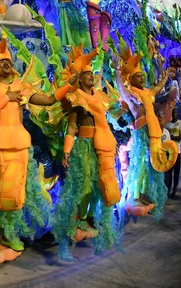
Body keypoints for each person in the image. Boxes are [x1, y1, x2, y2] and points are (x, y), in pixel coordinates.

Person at [0, 29, 77, 262]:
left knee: (17, 193)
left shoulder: (21, 87)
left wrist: (68, 86)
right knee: (1, 192)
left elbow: (49, 100)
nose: (7, 65)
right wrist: (6, 97)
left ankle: (9, 234)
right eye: (1, 62)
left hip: (21, 145)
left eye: (8, 61)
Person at [52, 44, 120, 262]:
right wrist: (67, 151)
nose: (91, 77)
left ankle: (88, 217)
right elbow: (71, 127)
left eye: (92, 74)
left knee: (96, 187)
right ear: (80, 79)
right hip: (83, 147)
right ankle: (67, 236)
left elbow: (108, 121)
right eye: (87, 74)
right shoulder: (76, 98)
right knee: (78, 189)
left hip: (99, 147)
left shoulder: (100, 98)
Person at [113, 45, 176, 219]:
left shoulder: (147, 94)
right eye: (138, 76)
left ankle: (142, 194)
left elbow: (158, 88)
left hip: (152, 134)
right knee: (140, 165)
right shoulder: (133, 99)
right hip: (141, 135)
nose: (141, 78)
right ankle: (134, 196)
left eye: (142, 76)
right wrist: (118, 70)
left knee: (149, 166)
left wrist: (166, 76)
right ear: (132, 80)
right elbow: (121, 89)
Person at [165, 108, 181, 197]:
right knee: (169, 172)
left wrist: (173, 138)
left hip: (177, 151)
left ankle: (175, 188)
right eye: (173, 113)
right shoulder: (168, 125)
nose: (174, 114)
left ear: (178, 113)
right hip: (169, 152)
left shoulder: (180, 123)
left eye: (176, 112)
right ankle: (168, 188)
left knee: (176, 172)